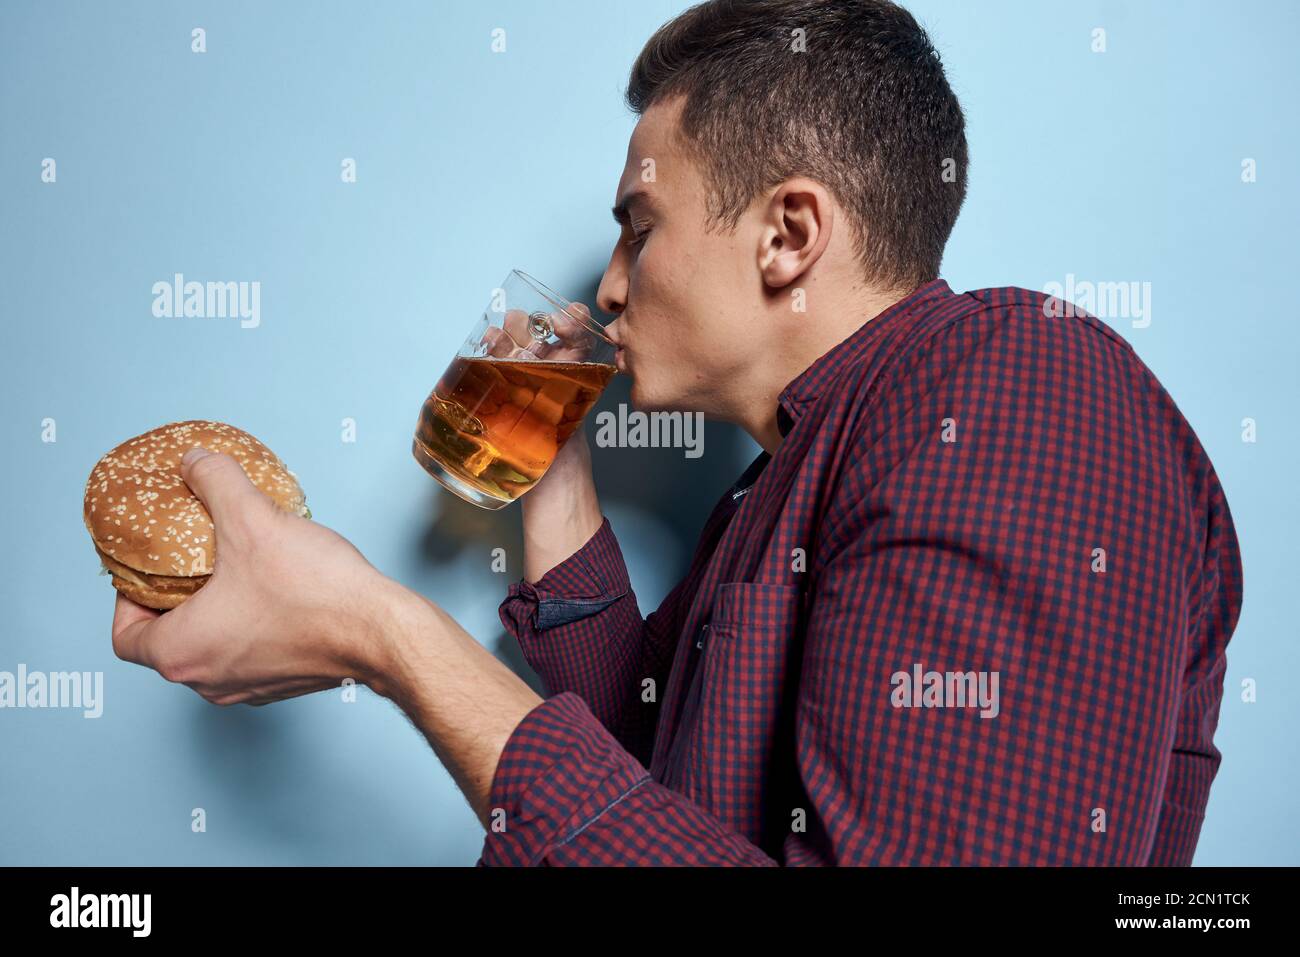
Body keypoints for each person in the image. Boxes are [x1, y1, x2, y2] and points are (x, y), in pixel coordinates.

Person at [111, 0, 1243, 865]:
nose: (607, 286)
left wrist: (388, 637)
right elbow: (641, 777)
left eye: (637, 229)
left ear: (787, 233)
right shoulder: (783, 484)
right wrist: (554, 489)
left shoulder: (1017, 388)